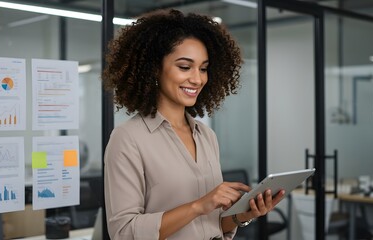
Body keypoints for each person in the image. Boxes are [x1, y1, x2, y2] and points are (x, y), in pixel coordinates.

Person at [102, 8, 285, 240]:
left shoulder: (206, 136)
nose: (198, 79)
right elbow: (124, 232)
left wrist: (243, 215)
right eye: (185, 67)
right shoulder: (128, 139)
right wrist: (199, 205)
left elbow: (211, 223)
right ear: (155, 69)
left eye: (204, 68)